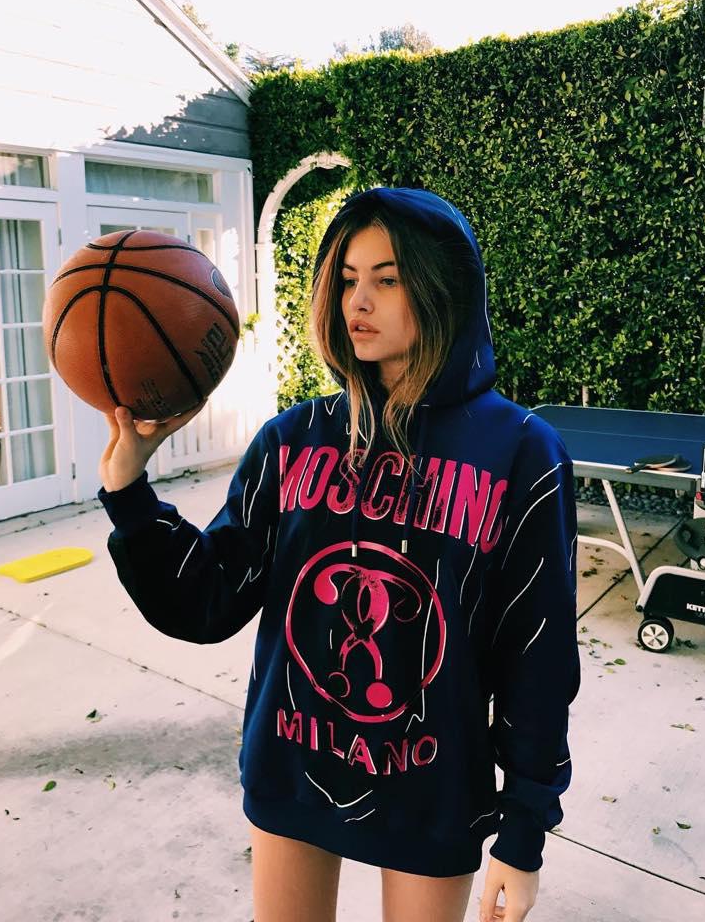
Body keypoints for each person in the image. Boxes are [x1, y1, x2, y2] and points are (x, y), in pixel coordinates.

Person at [97, 187, 580, 922]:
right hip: (292, 766)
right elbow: (208, 600)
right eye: (349, 278)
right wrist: (130, 492)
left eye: (388, 279)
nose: (360, 300)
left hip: (433, 787)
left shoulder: (519, 452)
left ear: (443, 289)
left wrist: (525, 829)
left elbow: (536, 654)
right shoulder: (292, 439)